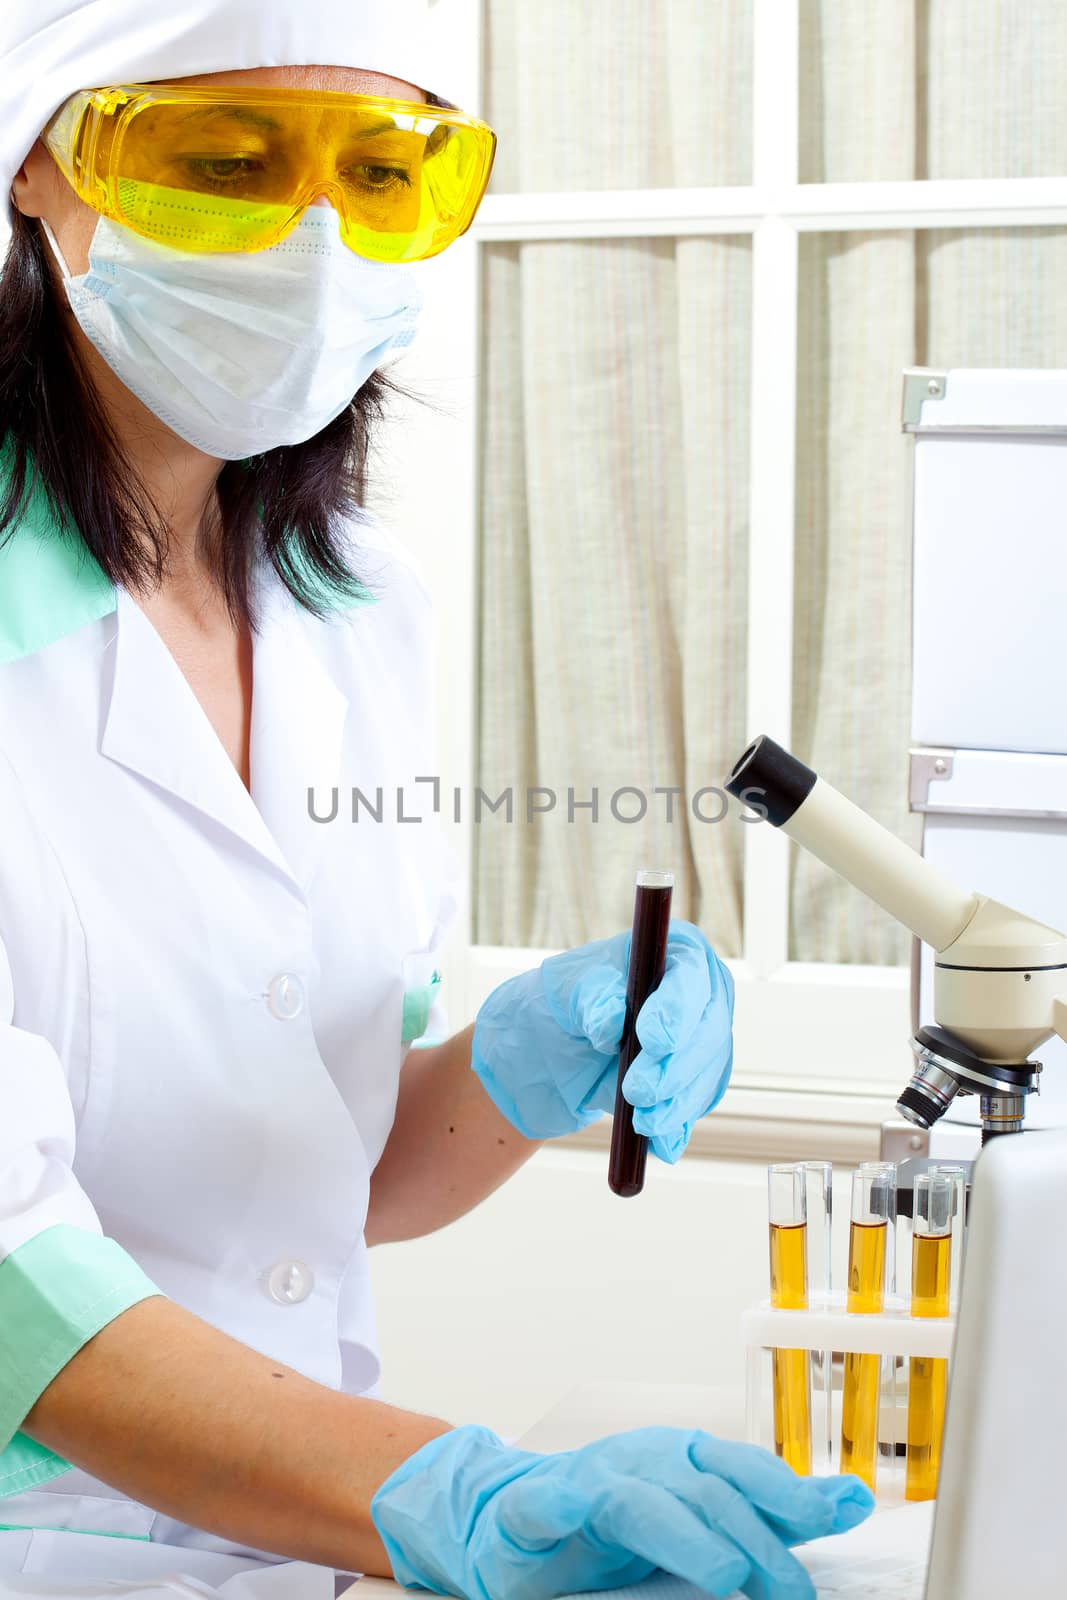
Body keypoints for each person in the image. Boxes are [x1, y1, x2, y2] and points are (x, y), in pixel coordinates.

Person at [0, 2, 874, 1595]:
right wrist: (442, 1492)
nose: (315, 243)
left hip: (299, 1539)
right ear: (38, 176)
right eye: (222, 162)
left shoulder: (357, 610)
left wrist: (535, 1059)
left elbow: (323, 1170)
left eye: (387, 173)